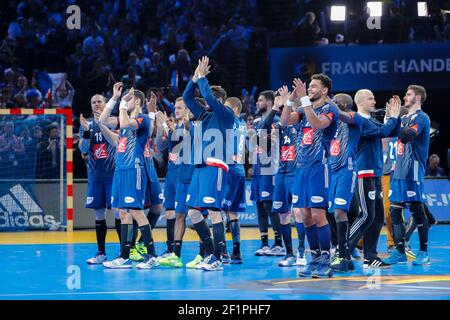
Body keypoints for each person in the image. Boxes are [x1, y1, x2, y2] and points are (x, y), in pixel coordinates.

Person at [281, 74, 339, 278]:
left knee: (317, 214)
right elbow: (284, 120)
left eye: (314, 86)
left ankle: (326, 258)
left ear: (324, 90)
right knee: (303, 217)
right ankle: (314, 258)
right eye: (310, 86)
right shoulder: (303, 109)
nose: (311, 89)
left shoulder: (329, 109)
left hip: (319, 167)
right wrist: (290, 100)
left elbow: (316, 124)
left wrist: (304, 99)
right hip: (301, 169)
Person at [181, 56, 236, 271]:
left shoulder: (226, 114)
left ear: (219, 100)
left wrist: (203, 78)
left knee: (213, 212)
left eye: (210, 98)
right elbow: (187, 98)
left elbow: (209, 98)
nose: (204, 101)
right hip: (200, 167)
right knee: (194, 213)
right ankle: (212, 252)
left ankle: (217, 258)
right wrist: (194, 78)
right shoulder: (204, 116)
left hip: (215, 166)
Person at [98, 83, 158, 269]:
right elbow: (102, 120)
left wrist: (123, 105)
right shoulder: (123, 125)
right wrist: (115, 99)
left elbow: (125, 123)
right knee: (123, 212)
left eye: (129, 97)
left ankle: (152, 256)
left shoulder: (142, 120)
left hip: (134, 169)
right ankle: (124, 257)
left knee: (137, 212)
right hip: (120, 171)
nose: (125, 100)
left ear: (137, 101)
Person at [346, 90, 401, 269]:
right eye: (371, 98)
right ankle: (342, 252)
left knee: (377, 217)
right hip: (365, 172)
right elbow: (381, 132)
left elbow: (393, 131)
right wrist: (391, 118)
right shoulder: (359, 120)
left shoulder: (371, 120)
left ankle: (370, 256)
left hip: (375, 173)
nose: (374, 101)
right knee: (366, 215)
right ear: (360, 101)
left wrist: (395, 116)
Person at [384, 85, 432, 266]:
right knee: (394, 211)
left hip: (413, 171)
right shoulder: (404, 118)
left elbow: (406, 136)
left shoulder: (422, 118)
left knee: (418, 211)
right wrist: (390, 117)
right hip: (398, 171)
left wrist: (396, 119)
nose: (405, 96)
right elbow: (388, 132)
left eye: (409, 94)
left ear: (418, 97)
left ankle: (423, 252)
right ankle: (399, 251)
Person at [78, 94, 120, 264]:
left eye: (99, 101)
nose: (96, 104)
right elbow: (84, 149)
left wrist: (102, 123)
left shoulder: (114, 121)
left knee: (118, 212)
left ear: (105, 104)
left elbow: (119, 142)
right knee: (99, 213)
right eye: (93, 102)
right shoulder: (87, 124)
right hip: (95, 176)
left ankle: (124, 251)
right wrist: (87, 131)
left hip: (113, 174)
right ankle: (101, 253)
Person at [271, 86, 307, 267]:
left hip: (297, 172)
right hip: (282, 172)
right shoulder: (280, 124)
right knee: (282, 215)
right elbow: (263, 127)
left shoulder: (301, 123)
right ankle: (289, 254)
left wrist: (289, 101)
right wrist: (277, 106)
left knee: (299, 212)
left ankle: (301, 253)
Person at [327, 93, 363, 273]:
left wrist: (324, 99)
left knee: (341, 212)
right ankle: (343, 254)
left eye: (335, 100)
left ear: (344, 103)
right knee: (331, 212)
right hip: (332, 171)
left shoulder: (354, 118)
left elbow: (339, 113)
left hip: (346, 170)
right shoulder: (333, 123)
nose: (332, 102)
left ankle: (343, 254)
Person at [250, 90, 284, 257]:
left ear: (270, 103)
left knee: (269, 205)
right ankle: (264, 243)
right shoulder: (256, 122)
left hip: (270, 168)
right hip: (258, 168)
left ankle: (278, 243)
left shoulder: (276, 121)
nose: (257, 102)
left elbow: (266, 144)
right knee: (259, 205)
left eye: (261, 100)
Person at [221, 97, 248, 264]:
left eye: (227, 109)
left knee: (218, 210)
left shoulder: (230, 123)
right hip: (239, 170)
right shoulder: (242, 125)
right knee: (231, 212)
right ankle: (236, 252)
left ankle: (222, 251)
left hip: (229, 171)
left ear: (236, 110)